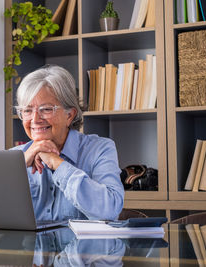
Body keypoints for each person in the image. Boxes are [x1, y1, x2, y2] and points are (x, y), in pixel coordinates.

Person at [11, 65, 124, 221]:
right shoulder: (15, 157)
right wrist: (18, 168)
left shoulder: (100, 149)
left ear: (69, 115)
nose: (35, 119)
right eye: (27, 110)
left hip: (85, 246)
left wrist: (57, 163)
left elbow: (110, 210)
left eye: (46, 109)